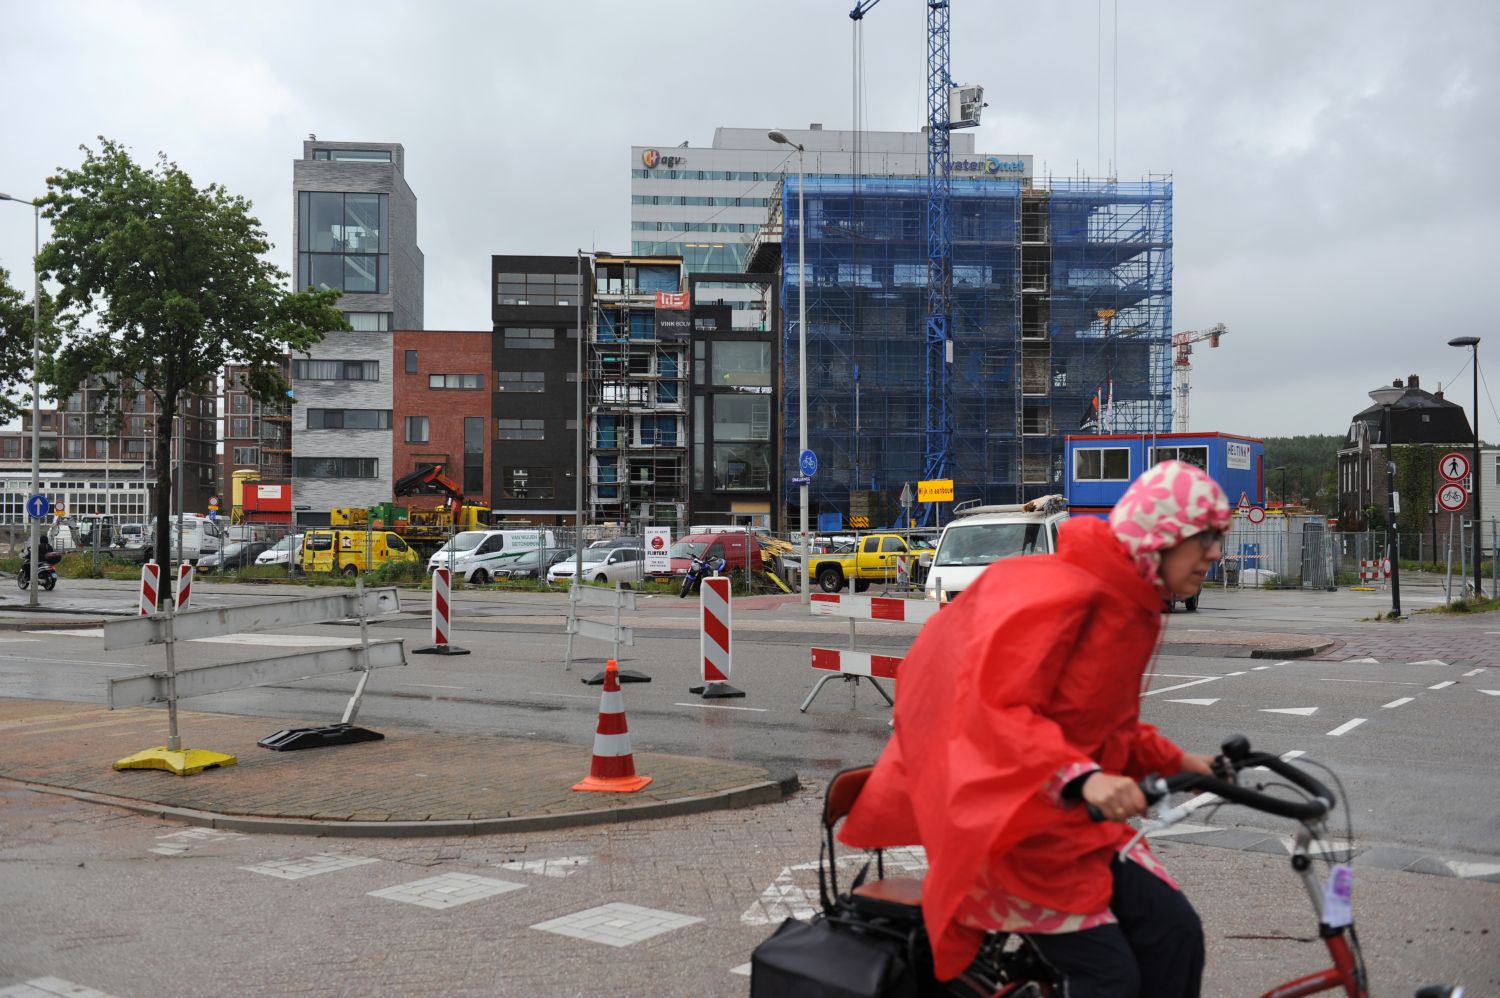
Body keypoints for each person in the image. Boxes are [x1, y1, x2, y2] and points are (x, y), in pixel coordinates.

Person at [840, 460, 1231, 997]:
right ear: (1158, 537)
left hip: (1068, 823)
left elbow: (1104, 725)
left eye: (1219, 536)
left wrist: (1181, 762)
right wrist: (1083, 778)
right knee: (1109, 979)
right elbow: (996, 709)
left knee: (1174, 933)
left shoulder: (1130, 604)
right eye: (1203, 535)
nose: (1215, 552)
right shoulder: (1070, 595)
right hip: (1013, 830)